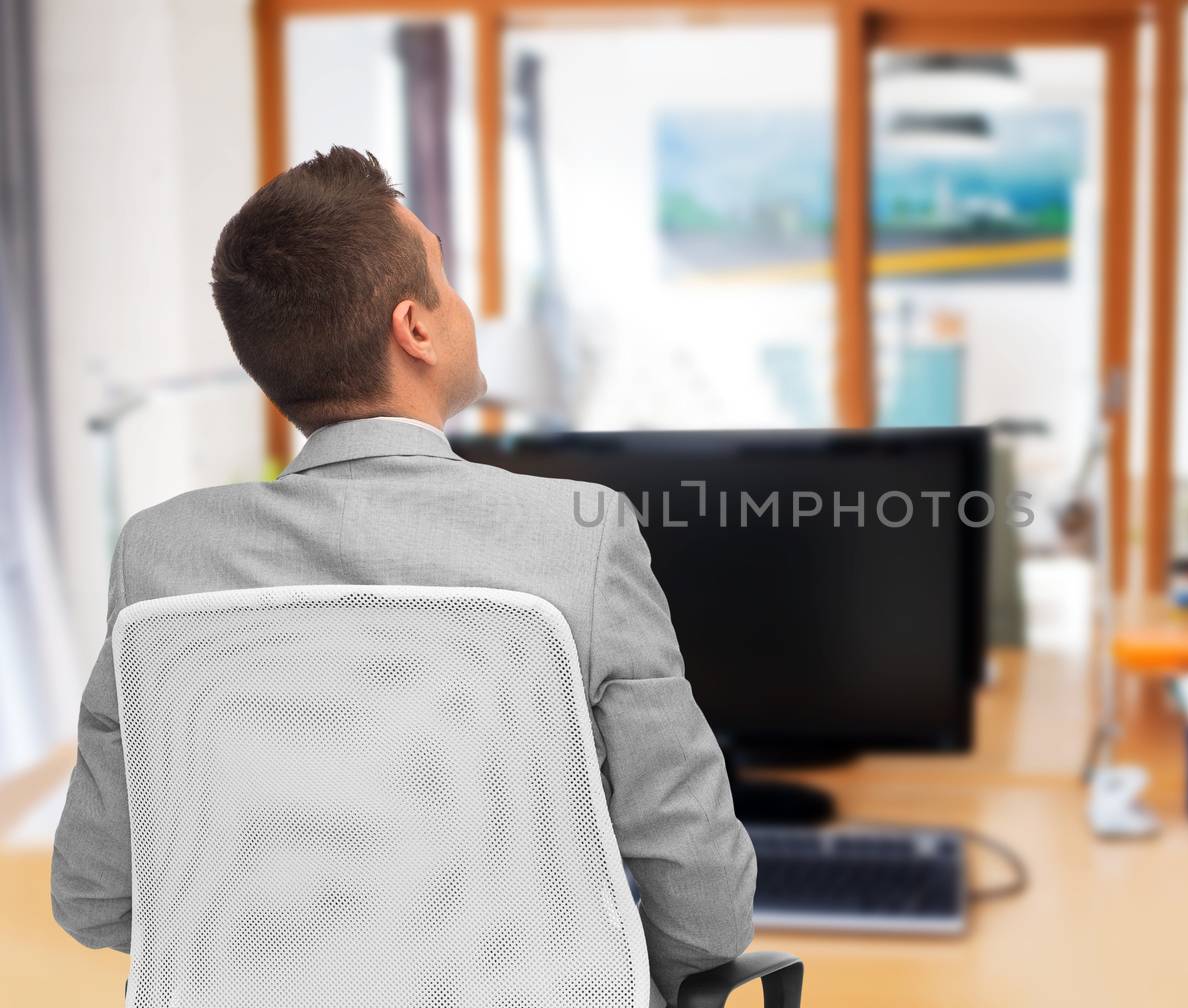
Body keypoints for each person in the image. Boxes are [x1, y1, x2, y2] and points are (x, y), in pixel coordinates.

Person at [50, 146, 755, 1008]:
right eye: (447, 282)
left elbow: (94, 895)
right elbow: (702, 898)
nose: (463, 308)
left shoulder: (160, 556)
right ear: (415, 327)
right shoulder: (581, 534)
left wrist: (296, 957)